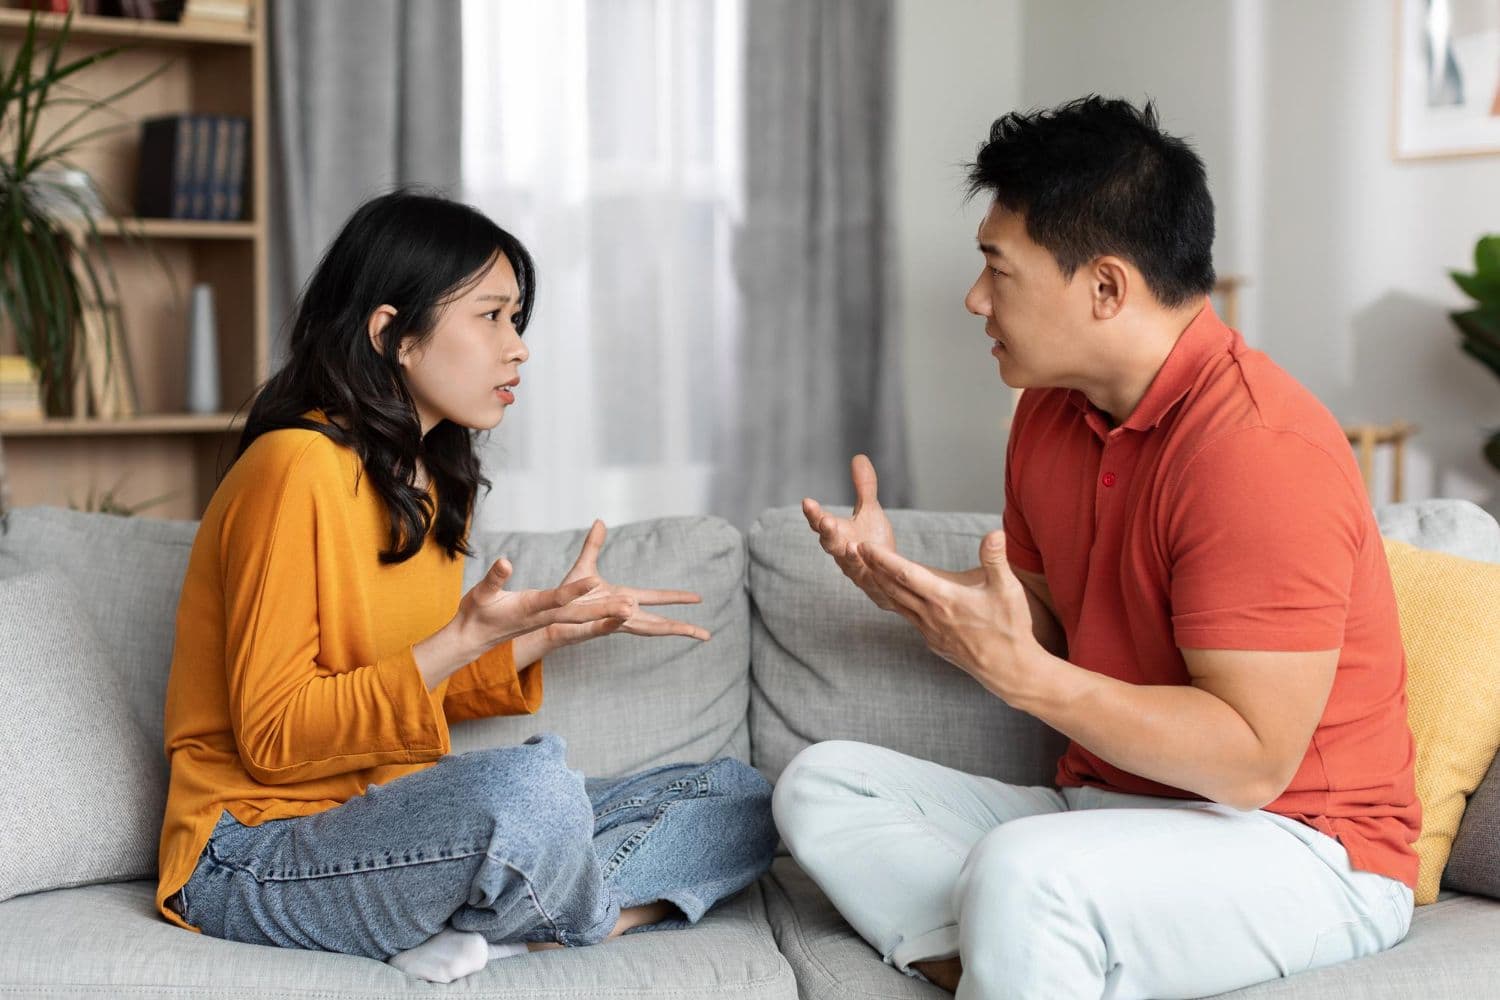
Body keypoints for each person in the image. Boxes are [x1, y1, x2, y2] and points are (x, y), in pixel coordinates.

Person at [774, 96, 1419, 1000]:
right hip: (1109, 813)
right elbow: (1036, 613)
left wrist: (1024, 677)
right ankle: (1018, 962)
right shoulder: (1051, 407)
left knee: (1023, 872)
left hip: (1304, 845)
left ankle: (1034, 941)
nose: (974, 299)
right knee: (819, 783)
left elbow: (1250, 759)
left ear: (1106, 288)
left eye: (998, 270)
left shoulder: (1259, 450)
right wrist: (904, 584)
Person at [156, 189, 776, 983]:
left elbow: (397, 697)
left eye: (517, 320)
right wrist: (459, 639)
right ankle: (564, 917)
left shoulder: (430, 480)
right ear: (393, 334)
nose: (517, 348)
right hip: (249, 852)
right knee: (527, 795)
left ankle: (513, 927)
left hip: (388, 827)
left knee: (736, 794)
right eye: (490, 317)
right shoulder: (295, 468)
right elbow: (275, 740)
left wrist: (543, 631)